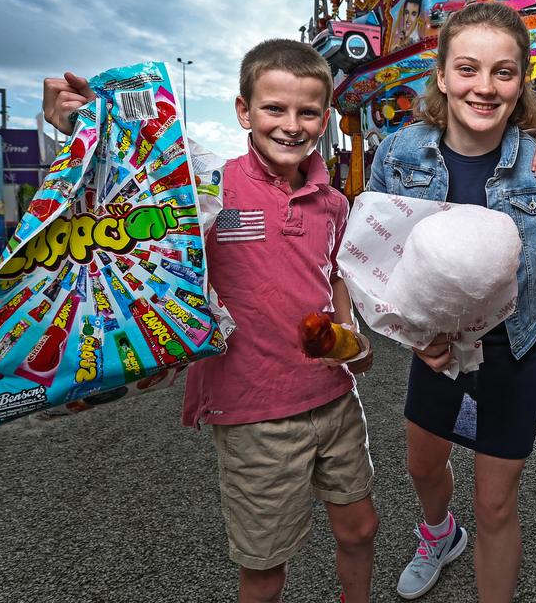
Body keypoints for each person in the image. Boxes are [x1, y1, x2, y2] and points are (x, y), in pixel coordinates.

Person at [42, 40, 379, 603]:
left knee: (361, 528)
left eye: (308, 112)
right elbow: (127, 181)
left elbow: (337, 271)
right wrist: (75, 126)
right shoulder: (207, 185)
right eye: (274, 108)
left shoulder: (333, 202)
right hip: (252, 410)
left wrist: (350, 337)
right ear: (243, 111)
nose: (291, 125)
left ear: (326, 117)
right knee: (265, 568)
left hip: (334, 397)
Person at [366, 1, 536, 602]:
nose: (485, 86)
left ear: (523, 80)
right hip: (435, 351)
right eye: (468, 69)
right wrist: (414, 336)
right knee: (423, 467)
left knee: (496, 505)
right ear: (442, 76)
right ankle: (440, 533)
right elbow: (376, 259)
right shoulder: (398, 155)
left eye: (504, 71)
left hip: (514, 353)